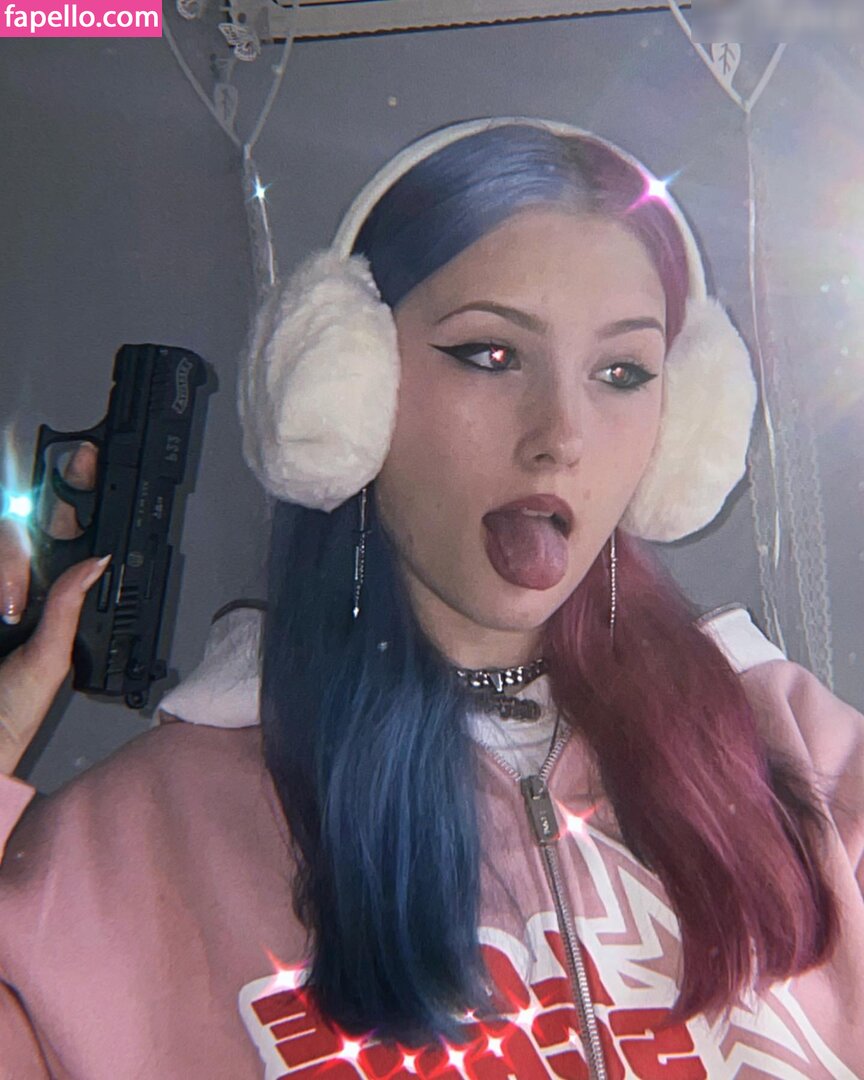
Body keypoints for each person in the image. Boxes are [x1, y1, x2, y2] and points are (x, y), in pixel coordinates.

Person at [0, 117, 862, 1080]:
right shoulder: (127, 851)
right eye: (490, 354)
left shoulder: (807, 755)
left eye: (622, 373)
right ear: (348, 388)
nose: (561, 437)